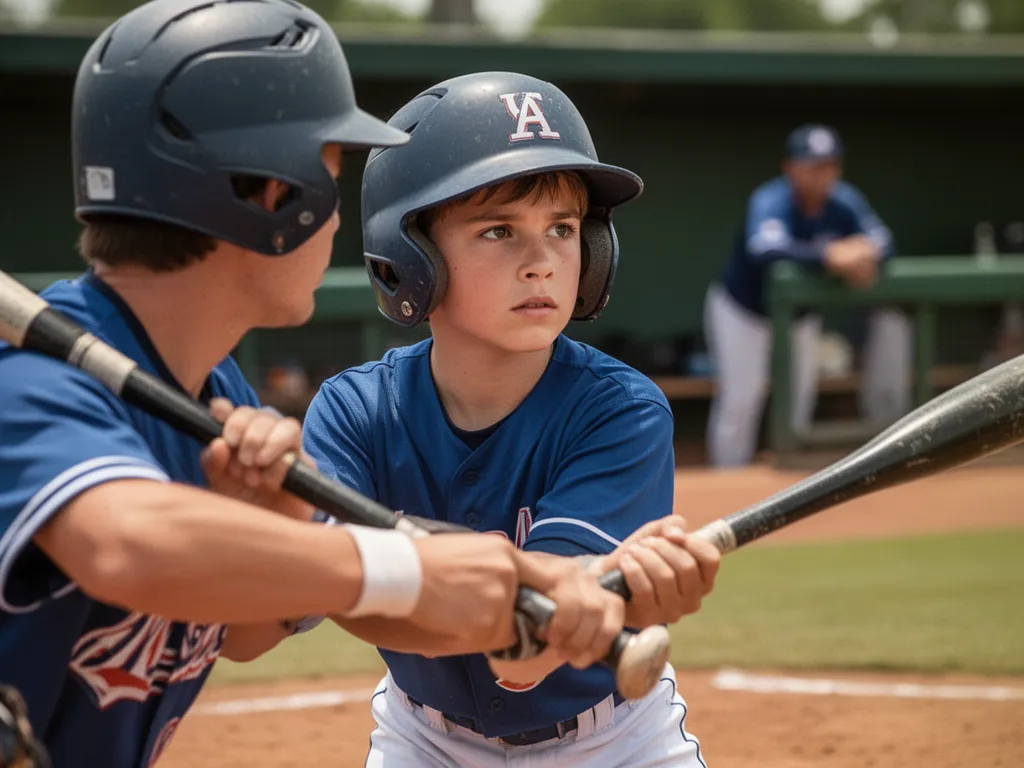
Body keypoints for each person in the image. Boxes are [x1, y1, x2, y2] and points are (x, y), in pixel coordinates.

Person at [0, 5, 619, 766]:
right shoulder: (32, 379)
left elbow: (249, 633)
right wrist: (405, 566)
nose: (336, 219)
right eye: (329, 171)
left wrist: (277, 517)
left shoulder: (209, 393)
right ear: (271, 194)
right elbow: (128, 543)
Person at [302, 72, 721, 768]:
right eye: (499, 230)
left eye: (562, 229)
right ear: (411, 260)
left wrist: (538, 614)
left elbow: (526, 655)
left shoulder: (618, 409)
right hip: (422, 737)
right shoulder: (354, 413)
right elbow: (307, 588)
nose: (542, 263)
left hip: (614, 742)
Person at [704, 123, 911, 468]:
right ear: (791, 168)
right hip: (743, 312)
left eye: (830, 165)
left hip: (799, 317)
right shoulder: (771, 199)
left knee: (799, 401)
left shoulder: (844, 200)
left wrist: (862, 254)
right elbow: (763, 249)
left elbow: (883, 241)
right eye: (813, 165)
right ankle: (729, 479)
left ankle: (791, 476)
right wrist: (830, 254)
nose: (823, 174)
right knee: (741, 399)